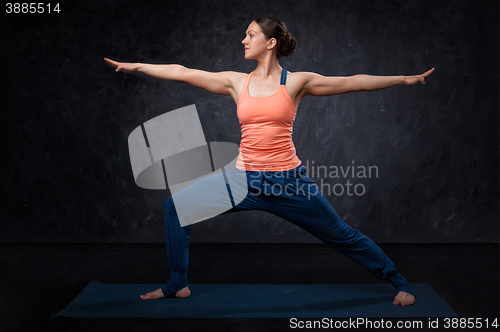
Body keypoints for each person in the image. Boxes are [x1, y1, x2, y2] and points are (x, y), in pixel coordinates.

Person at [104, 16, 434, 307]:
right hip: (240, 180)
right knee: (175, 208)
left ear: (270, 42)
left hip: (287, 182)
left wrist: (403, 79)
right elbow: (184, 73)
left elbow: (353, 81)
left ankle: (398, 281)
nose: (243, 40)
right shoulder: (237, 82)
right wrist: (136, 66)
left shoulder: (296, 82)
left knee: (341, 234)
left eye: (250, 35)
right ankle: (178, 283)